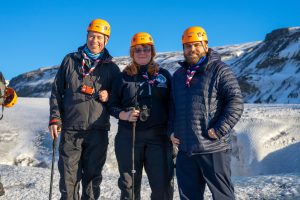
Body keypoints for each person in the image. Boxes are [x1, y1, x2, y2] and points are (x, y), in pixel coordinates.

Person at [169, 26, 244, 200]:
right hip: (186, 151)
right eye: (187, 46)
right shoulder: (179, 76)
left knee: (222, 196)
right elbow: (172, 107)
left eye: (196, 45)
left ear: (205, 45)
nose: (192, 49)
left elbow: (236, 102)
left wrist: (219, 129)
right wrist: (171, 131)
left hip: (213, 149)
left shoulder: (220, 70)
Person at [49, 19, 120, 200]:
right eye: (91, 36)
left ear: (106, 40)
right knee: (68, 181)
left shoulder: (112, 68)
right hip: (71, 131)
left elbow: (120, 98)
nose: (94, 40)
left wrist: (109, 95)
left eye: (99, 37)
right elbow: (57, 91)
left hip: (98, 131)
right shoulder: (71, 60)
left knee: (92, 182)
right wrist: (55, 119)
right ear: (86, 36)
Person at [108, 32, 174, 200]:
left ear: (152, 51)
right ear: (132, 53)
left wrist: (173, 131)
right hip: (129, 138)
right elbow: (111, 105)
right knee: (129, 187)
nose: (142, 52)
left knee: (162, 187)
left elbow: (174, 105)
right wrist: (124, 114)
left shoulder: (164, 75)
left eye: (146, 49)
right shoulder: (122, 77)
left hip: (159, 139)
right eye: (138, 49)